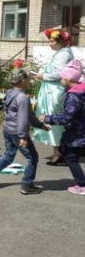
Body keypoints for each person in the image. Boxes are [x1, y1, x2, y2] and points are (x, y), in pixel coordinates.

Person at [0, 69, 50, 195]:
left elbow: (28, 115)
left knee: (8, 155)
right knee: (32, 157)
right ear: (22, 81)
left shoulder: (10, 93)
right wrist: (23, 136)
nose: (30, 82)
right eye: (28, 80)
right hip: (18, 132)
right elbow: (24, 119)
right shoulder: (23, 98)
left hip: (8, 129)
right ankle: (27, 185)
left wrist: (41, 126)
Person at [41, 60, 85, 195]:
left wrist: (48, 119)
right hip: (79, 129)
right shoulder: (80, 90)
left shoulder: (74, 96)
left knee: (71, 159)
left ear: (67, 78)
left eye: (62, 77)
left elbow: (67, 117)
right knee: (72, 155)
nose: (60, 79)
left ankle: (82, 185)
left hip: (76, 132)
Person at [32, 28, 74, 165]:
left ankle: (59, 152)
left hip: (55, 91)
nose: (49, 44)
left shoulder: (63, 54)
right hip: (52, 90)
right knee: (52, 119)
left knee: (54, 120)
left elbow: (60, 73)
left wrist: (42, 76)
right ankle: (58, 150)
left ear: (60, 41)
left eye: (51, 41)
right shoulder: (61, 53)